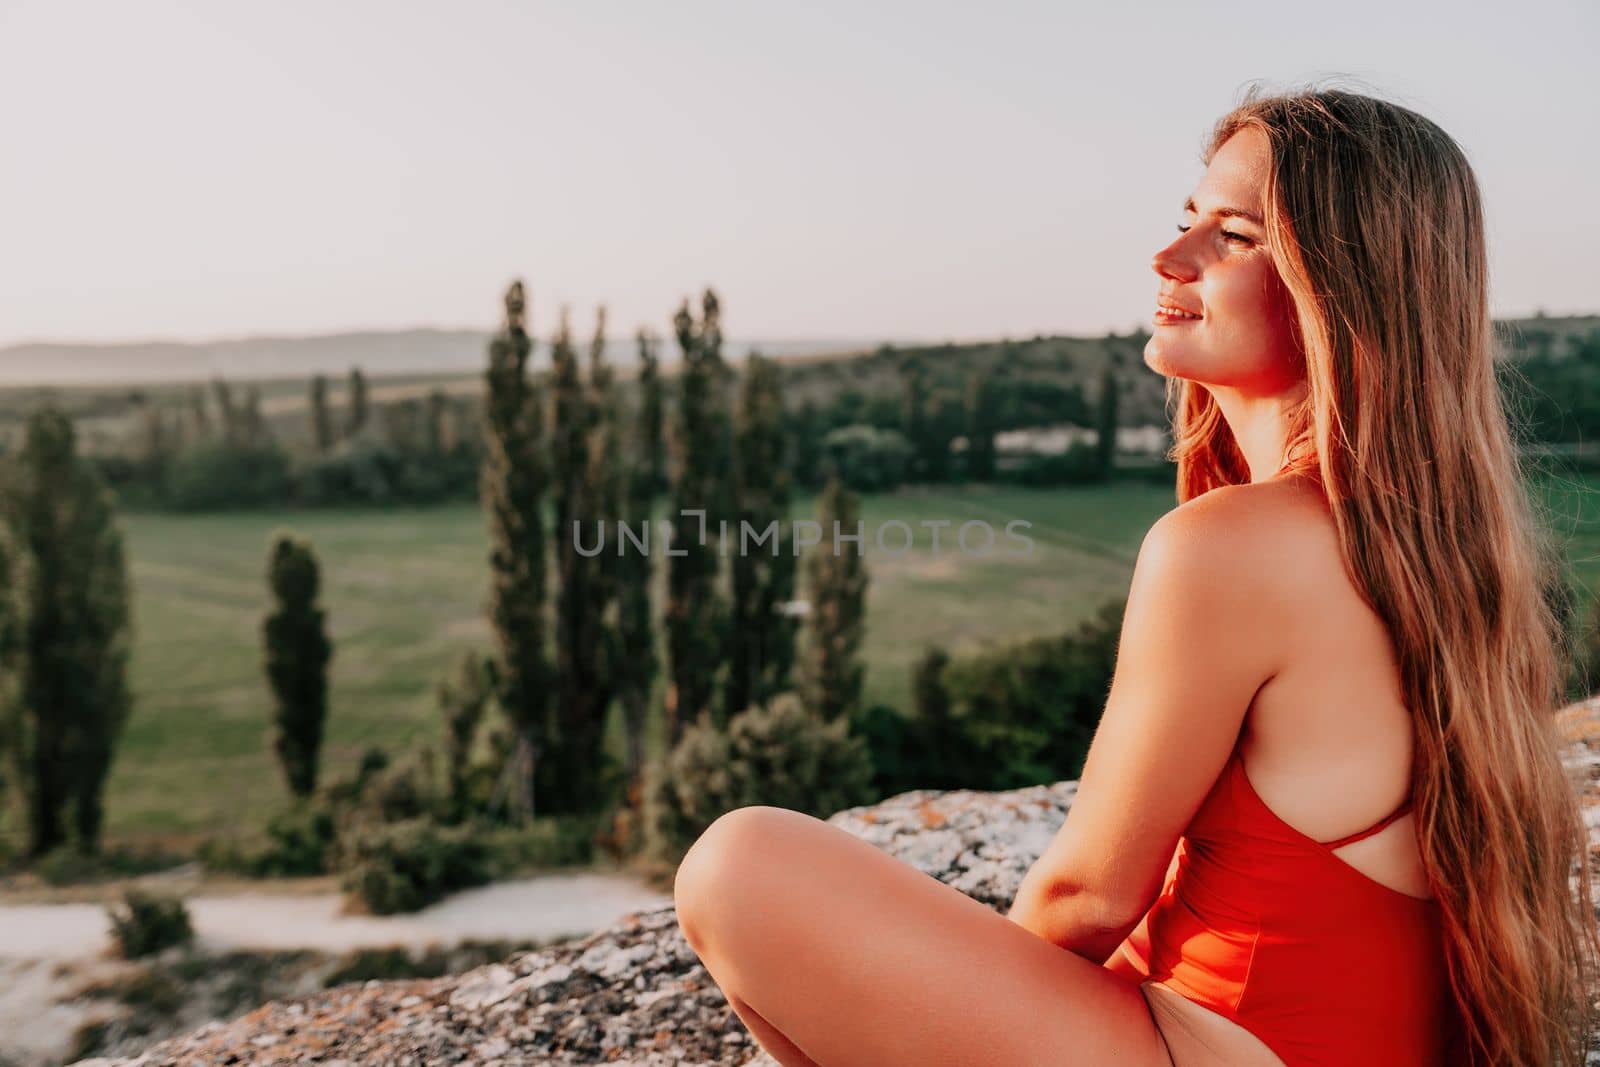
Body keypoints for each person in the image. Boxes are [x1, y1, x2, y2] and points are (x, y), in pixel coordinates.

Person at [671, 82, 1598, 1067]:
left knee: (741, 863)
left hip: (1214, 1047)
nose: (1169, 258)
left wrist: (945, 1009)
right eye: (1183, 221)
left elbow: (1087, 895)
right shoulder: (1435, 546)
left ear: (1343, 283)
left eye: (1233, 236)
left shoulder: (1237, 543)